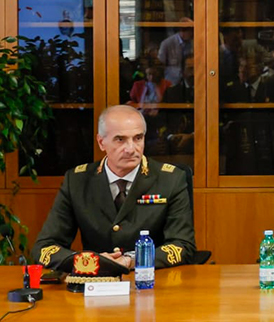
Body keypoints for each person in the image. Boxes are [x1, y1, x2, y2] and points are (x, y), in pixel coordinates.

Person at [32, 105, 195, 272]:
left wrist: (131, 260)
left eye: (138, 138)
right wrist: (91, 262)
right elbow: (45, 248)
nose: (131, 149)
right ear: (101, 142)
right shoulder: (77, 181)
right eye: (120, 139)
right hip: (94, 282)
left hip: (151, 281)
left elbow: (183, 245)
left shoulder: (170, 179)